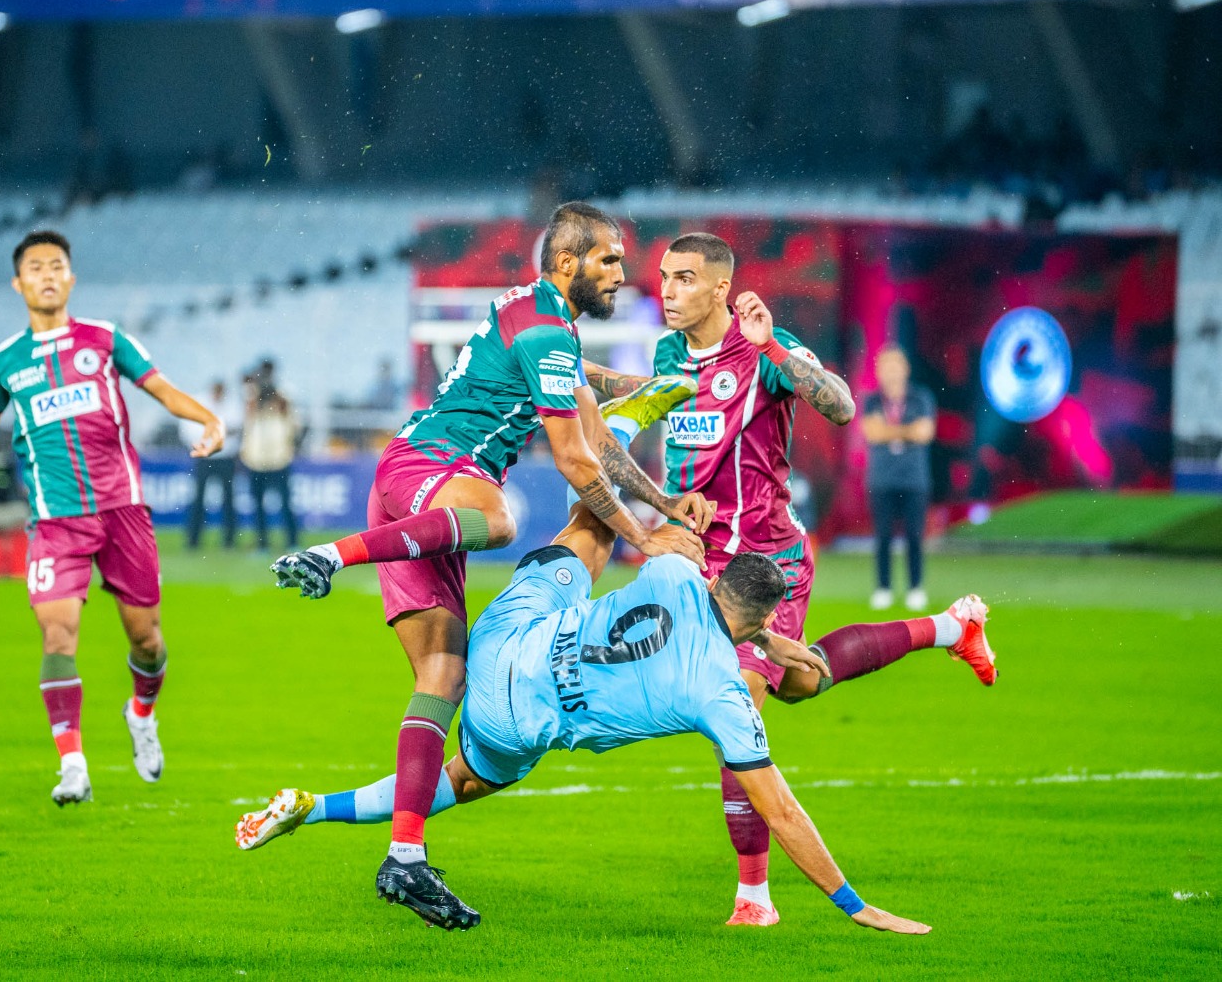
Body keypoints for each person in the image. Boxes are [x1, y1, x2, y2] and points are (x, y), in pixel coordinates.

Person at [268, 201, 712, 925]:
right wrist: (645, 537)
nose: (622, 275)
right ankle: (329, 554)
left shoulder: (539, 316)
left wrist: (661, 499)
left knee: (443, 676)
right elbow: (575, 460)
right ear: (567, 262)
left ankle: (404, 859)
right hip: (435, 471)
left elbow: (598, 439)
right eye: (609, 260)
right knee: (506, 519)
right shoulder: (546, 331)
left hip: (412, 494)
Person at [238, 504, 958, 936]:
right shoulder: (722, 695)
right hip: (512, 720)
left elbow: (677, 549)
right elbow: (785, 813)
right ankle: (320, 806)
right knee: (466, 781)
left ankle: (608, 417)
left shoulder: (678, 574)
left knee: (590, 529)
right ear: (767, 615)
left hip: (502, 638)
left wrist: (686, 534)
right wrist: (854, 904)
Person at [585, 233, 996, 927]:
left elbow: (838, 405)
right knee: (806, 682)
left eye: (685, 279)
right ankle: (952, 628)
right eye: (663, 277)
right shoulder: (666, 354)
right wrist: (586, 383)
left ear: (722, 288)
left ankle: (754, 898)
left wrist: (774, 346)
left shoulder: (765, 349)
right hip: (697, 564)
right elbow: (658, 406)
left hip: (766, 563)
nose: (668, 289)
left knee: (733, 711)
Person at [0, 230, 224, 806]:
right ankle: (72, 765)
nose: (46, 274)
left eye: (56, 265)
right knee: (58, 633)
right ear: (18, 283)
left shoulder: (104, 338)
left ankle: (141, 712)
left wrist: (207, 419)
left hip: (123, 513)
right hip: (56, 521)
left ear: (70, 278)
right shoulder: (4, 361)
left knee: (146, 640)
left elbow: (160, 389)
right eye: (35, 267)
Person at [860, 345, 937, 611]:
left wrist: (889, 430)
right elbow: (872, 433)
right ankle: (883, 588)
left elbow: (925, 432)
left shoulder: (921, 398)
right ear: (879, 371)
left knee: (915, 537)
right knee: (882, 537)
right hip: (881, 479)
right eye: (886, 366)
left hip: (914, 479)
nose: (892, 372)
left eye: (896, 366)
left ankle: (915, 588)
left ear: (906, 369)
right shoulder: (871, 401)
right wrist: (907, 431)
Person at [184, 380, 242, 550]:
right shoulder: (200, 403)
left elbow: (237, 428)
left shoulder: (232, 405)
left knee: (229, 500)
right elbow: (192, 431)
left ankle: (229, 540)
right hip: (205, 457)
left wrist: (212, 431)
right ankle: (193, 540)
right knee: (198, 500)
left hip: (226, 458)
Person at [241, 387, 300, 550]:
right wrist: (256, 395)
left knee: (286, 505)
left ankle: (292, 541)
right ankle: (262, 544)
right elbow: (246, 418)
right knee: (258, 506)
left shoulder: (283, 413)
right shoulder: (254, 412)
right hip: (257, 464)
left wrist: (279, 398)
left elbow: (294, 428)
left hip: (279, 463)